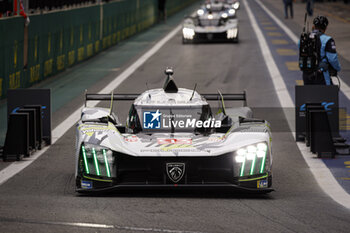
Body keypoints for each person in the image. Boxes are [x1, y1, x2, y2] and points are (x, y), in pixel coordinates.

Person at [303, 16, 341, 85]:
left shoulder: (305, 37)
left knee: (309, 94)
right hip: (321, 75)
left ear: (313, 26)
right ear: (325, 28)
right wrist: (338, 68)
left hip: (306, 74)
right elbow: (333, 59)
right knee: (328, 94)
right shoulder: (328, 40)